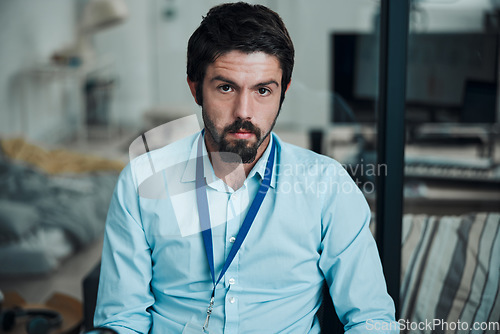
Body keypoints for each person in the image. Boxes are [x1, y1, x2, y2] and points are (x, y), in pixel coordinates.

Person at [94, 2, 398, 333]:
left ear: (283, 94)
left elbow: (371, 320)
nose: (244, 111)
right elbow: (122, 320)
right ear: (196, 89)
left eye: (263, 90)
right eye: (226, 87)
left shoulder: (327, 186)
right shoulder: (142, 182)